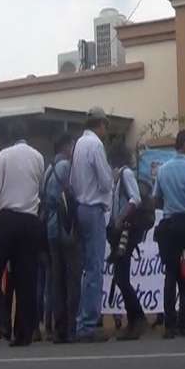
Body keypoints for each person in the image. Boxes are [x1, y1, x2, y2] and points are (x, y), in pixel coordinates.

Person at [0, 125, 44, 347]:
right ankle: (24, 333)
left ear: (9, 138)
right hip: (30, 220)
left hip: (6, 218)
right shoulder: (38, 157)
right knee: (26, 280)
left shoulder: (4, 155)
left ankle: (2, 321)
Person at [71, 107, 115, 343]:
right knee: (95, 268)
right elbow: (106, 182)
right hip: (94, 208)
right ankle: (88, 324)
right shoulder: (96, 145)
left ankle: (82, 321)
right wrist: (113, 175)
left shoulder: (79, 144)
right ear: (101, 124)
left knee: (87, 268)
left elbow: (74, 181)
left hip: (81, 207)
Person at [153, 130, 185, 339]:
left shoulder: (163, 170)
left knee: (170, 274)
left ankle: (170, 324)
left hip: (170, 223)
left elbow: (157, 198)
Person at [43, 133, 80, 344]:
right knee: (73, 278)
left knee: (56, 281)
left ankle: (58, 329)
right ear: (66, 147)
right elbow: (75, 193)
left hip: (51, 229)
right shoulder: (67, 167)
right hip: (67, 228)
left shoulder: (47, 171)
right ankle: (71, 327)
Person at [107, 142, 145, 340]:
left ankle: (137, 317)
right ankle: (134, 320)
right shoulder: (117, 178)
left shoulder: (126, 174)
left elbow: (135, 199)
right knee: (121, 277)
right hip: (119, 233)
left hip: (125, 232)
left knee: (122, 278)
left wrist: (120, 219)